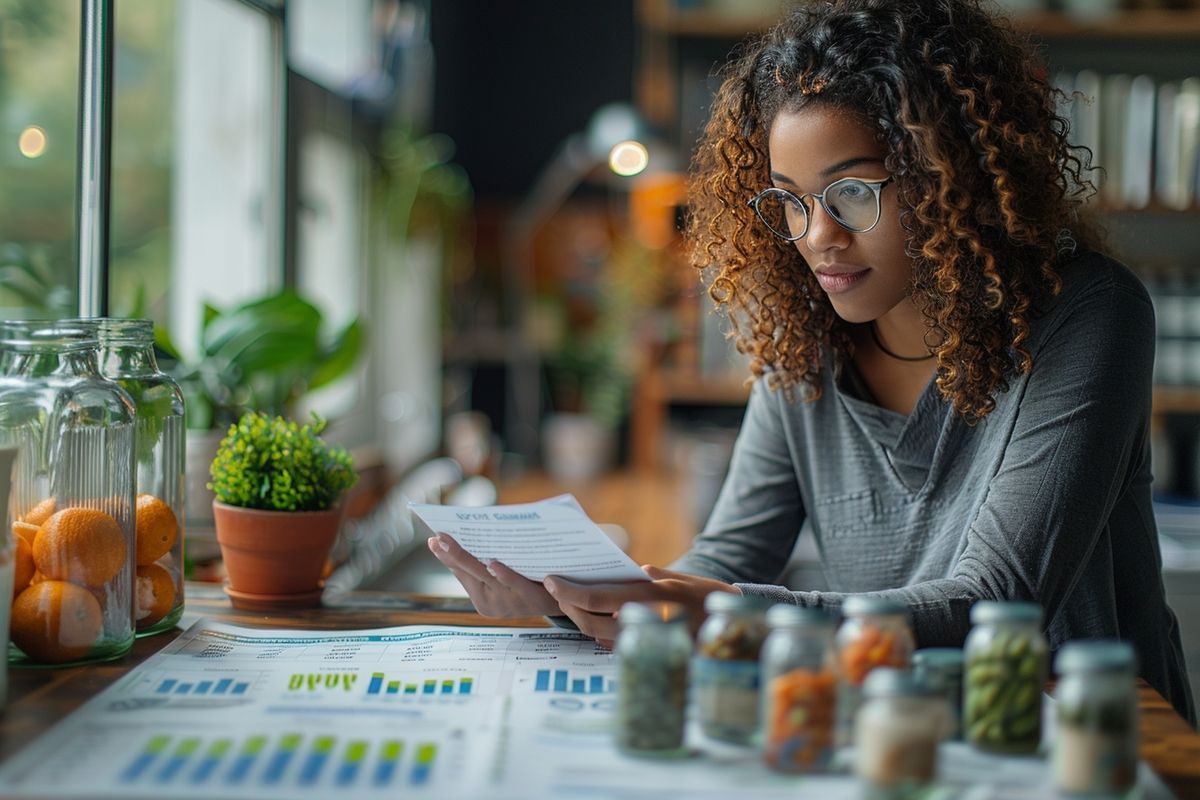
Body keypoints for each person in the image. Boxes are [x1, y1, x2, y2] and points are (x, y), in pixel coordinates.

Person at [429, 0, 1195, 724]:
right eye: (789, 200)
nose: (817, 236)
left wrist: (726, 613)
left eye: (852, 192)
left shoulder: (1088, 315)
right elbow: (729, 556)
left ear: (947, 173)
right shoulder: (805, 335)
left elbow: (996, 602)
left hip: (1085, 740)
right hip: (901, 732)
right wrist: (575, 600)